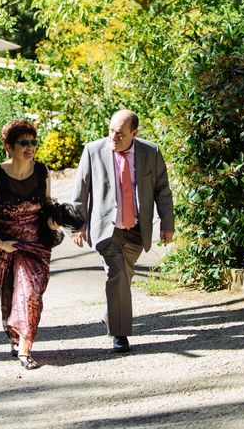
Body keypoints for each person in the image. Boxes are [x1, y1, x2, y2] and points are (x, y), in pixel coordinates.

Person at [71, 109, 174, 353]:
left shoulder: (151, 152)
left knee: (123, 277)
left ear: (134, 133)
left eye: (120, 133)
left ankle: (111, 313)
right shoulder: (93, 151)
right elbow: (79, 192)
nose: (113, 138)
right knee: (116, 274)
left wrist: (167, 223)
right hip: (107, 229)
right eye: (110, 131)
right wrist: (77, 225)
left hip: (137, 229)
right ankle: (120, 334)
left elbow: (162, 190)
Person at [0, 119, 59, 370]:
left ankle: (25, 346)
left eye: (33, 142)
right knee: (11, 294)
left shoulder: (42, 172)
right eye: (24, 143)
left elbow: (46, 206)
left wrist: (55, 221)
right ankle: (17, 340)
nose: (30, 147)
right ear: (9, 146)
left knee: (31, 294)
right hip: (6, 245)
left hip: (36, 245)